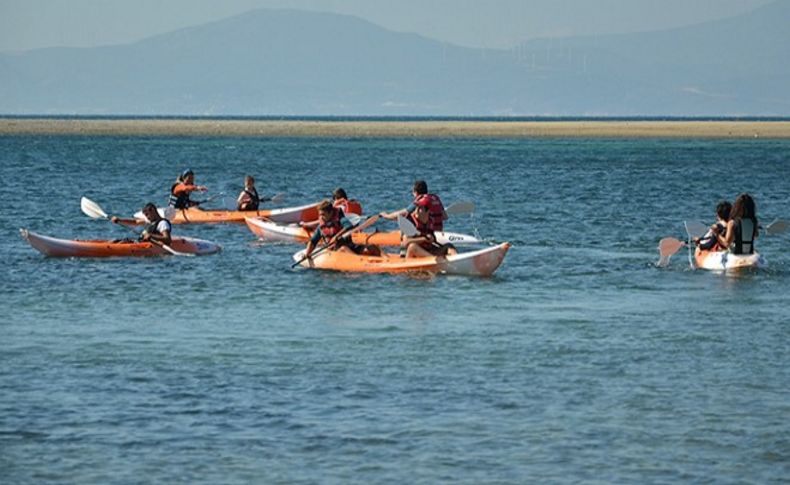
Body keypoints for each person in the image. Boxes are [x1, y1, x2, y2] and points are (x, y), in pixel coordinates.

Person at [304, 200, 380, 259]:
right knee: (343, 248)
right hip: (336, 249)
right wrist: (307, 253)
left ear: (330, 212)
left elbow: (349, 226)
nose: (321, 217)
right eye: (320, 214)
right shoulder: (321, 226)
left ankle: (385, 259)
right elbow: (313, 241)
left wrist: (336, 237)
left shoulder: (341, 219)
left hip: (351, 245)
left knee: (370, 245)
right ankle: (360, 261)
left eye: (323, 214)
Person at [380, 180, 448, 232]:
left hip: (427, 232)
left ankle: (407, 236)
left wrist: (386, 216)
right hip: (438, 231)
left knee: (409, 215)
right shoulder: (435, 198)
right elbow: (445, 216)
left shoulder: (420, 201)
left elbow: (400, 214)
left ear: (415, 192)